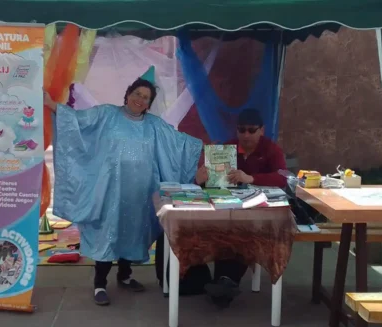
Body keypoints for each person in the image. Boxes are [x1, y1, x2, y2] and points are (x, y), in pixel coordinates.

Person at [45, 66, 203, 306]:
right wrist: (50, 104)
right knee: (108, 233)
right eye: (137, 94)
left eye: (146, 98)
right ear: (128, 94)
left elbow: (178, 144)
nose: (140, 99)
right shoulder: (107, 114)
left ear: (149, 104)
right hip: (111, 189)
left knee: (133, 231)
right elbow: (77, 121)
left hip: (141, 191)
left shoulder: (154, 125)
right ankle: (100, 283)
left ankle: (125, 275)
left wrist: (204, 148)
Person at [195, 108, 288, 307]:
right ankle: (223, 282)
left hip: (259, 214)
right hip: (229, 210)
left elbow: (282, 178)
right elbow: (211, 181)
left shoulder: (271, 150)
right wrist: (200, 180)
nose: (246, 135)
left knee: (243, 233)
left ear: (261, 130)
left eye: (251, 130)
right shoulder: (228, 148)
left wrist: (251, 178)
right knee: (224, 230)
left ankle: (226, 281)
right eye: (241, 130)